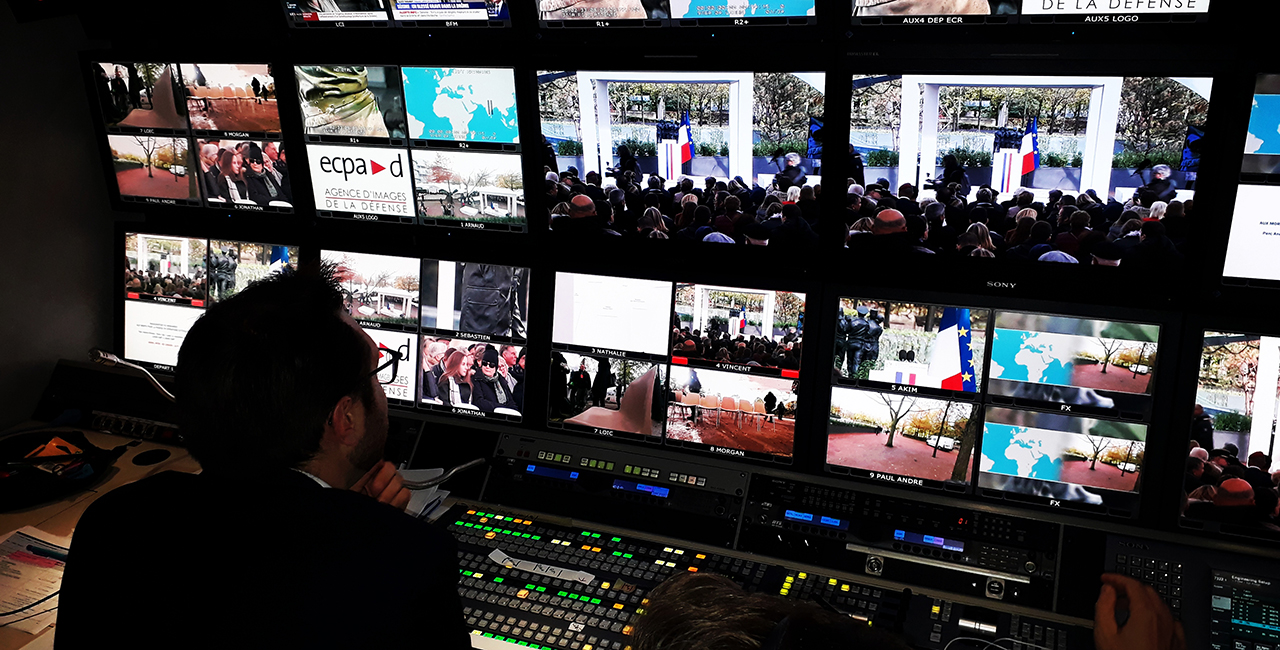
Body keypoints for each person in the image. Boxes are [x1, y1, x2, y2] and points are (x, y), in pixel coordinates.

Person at [57, 267, 470, 649]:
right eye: (377, 376)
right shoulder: (407, 561)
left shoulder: (113, 521)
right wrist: (370, 531)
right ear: (345, 417)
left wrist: (351, 518)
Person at [472, 347, 515, 413]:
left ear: (496, 368)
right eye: (485, 363)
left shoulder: (501, 380)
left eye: (491, 365)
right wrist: (502, 407)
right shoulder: (477, 378)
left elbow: (511, 401)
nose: (487, 367)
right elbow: (479, 402)